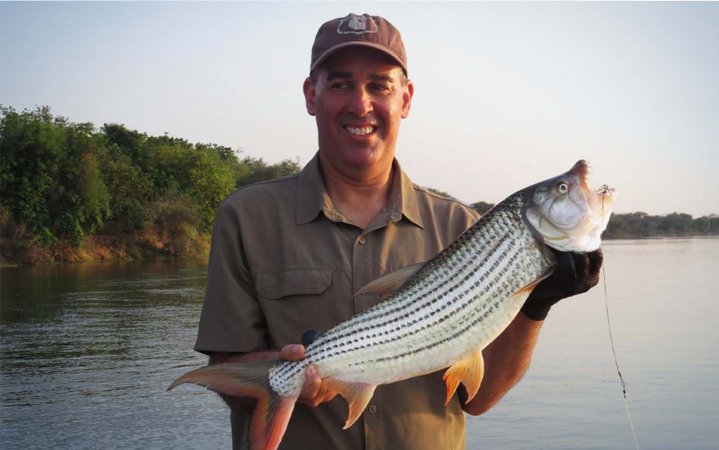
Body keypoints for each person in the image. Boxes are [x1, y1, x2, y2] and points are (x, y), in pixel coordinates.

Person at [194, 13, 602, 450]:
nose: (360, 104)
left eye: (379, 85)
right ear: (311, 95)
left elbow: (479, 398)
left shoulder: (464, 228)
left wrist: (535, 305)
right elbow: (228, 371)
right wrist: (285, 373)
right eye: (339, 84)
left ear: (405, 99)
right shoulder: (247, 217)